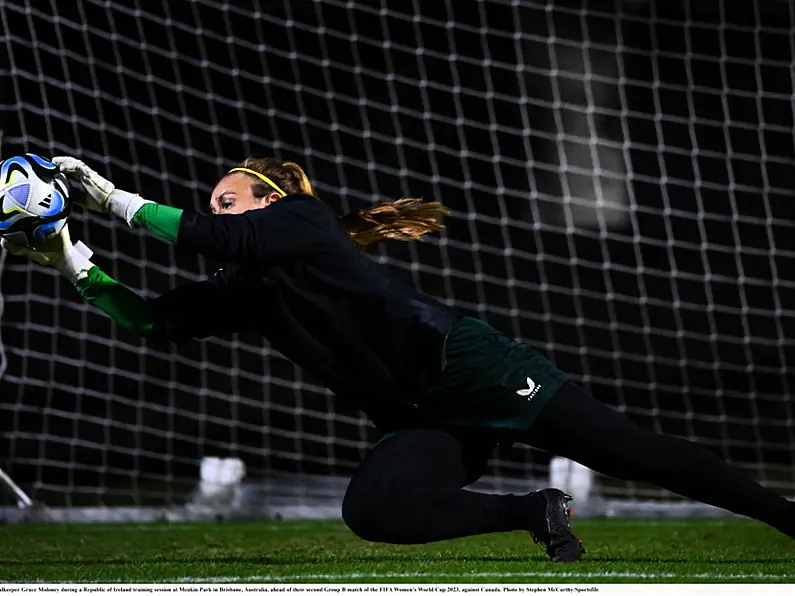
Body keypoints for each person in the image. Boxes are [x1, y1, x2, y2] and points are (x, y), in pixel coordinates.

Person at [4, 155, 794, 563]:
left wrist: (109, 200)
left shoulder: (302, 223)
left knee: (638, 454)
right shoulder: (248, 280)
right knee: (372, 512)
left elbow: (217, 237)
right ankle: (528, 510)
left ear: (271, 201)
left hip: (470, 367)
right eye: (210, 201)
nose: (214, 207)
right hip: (419, 414)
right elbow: (154, 321)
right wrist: (72, 259)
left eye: (228, 197)